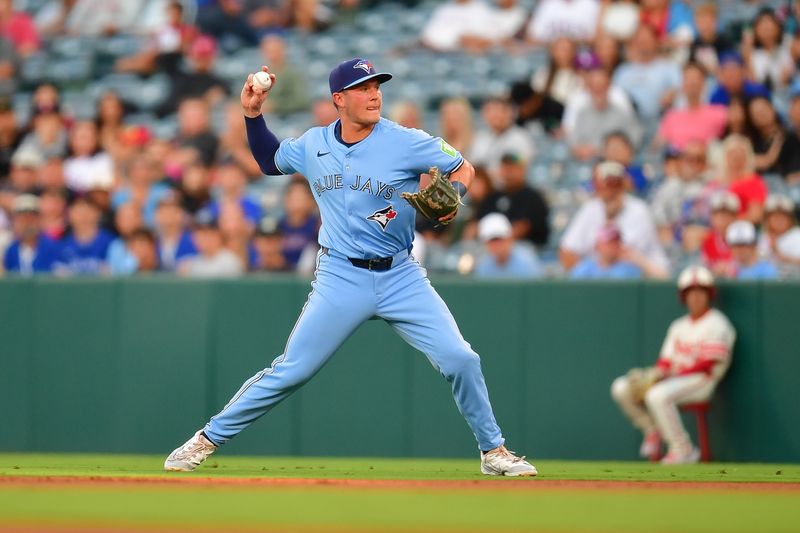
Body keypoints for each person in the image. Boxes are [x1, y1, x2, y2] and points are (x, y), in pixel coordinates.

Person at [164, 57, 538, 477]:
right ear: (339, 99)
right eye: (363, 88)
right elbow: (270, 161)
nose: (374, 93)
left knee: (461, 358)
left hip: (400, 274)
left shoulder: (405, 141)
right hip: (341, 275)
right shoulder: (313, 144)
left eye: (377, 85)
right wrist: (252, 115)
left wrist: (455, 194)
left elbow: (462, 166)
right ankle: (205, 439)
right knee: (292, 370)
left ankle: (494, 452)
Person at [611, 265, 736, 464]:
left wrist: (670, 375)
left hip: (702, 379)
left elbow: (708, 363)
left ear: (709, 294)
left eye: (700, 292)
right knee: (621, 387)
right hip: (675, 378)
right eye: (691, 292)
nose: (695, 297)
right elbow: (666, 360)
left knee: (656, 394)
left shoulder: (718, 323)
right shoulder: (678, 326)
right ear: (684, 297)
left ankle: (683, 448)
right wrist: (656, 373)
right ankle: (652, 430)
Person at [560, 161, 668, 274]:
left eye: (615, 183)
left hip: (644, 279)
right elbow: (567, 251)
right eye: (606, 183)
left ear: (623, 185)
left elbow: (619, 253)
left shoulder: (639, 210)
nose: (610, 189)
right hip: (604, 278)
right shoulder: (591, 209)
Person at [475, 152, 550, 247]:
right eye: (505, 168)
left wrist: (498, 244)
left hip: (527, 249)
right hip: (493, 248)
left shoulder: (532, 197)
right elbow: (478, 225)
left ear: (522, 170)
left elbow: (523, 228)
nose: (508, 173)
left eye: (512, 168)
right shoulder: (493, 197)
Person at [2, 194, 59, 275]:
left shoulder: (54, 248)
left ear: (40, 220)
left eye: (32, 219)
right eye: (22, 219)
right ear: (14, 222)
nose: (27, 224)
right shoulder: (10, 251)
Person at [473, 213, 542, 279]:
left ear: (509, 238)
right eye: (492, 240)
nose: (496, 244)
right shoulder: (483, 266)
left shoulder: (527, 261)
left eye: (499, 238)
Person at [569, 223, 645, 279]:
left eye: (616, 242)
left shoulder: (629, 268)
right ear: (597, 245)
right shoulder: (585, 267)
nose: (613, 246)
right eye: (608, 243)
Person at [758, 194, 800, 277]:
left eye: (783, 216)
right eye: (775, 216)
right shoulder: (764, 237)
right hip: (770, 283)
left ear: (791, 219)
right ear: (767, 219)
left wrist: (778, 253)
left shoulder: (797, 234)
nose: (779, 220)